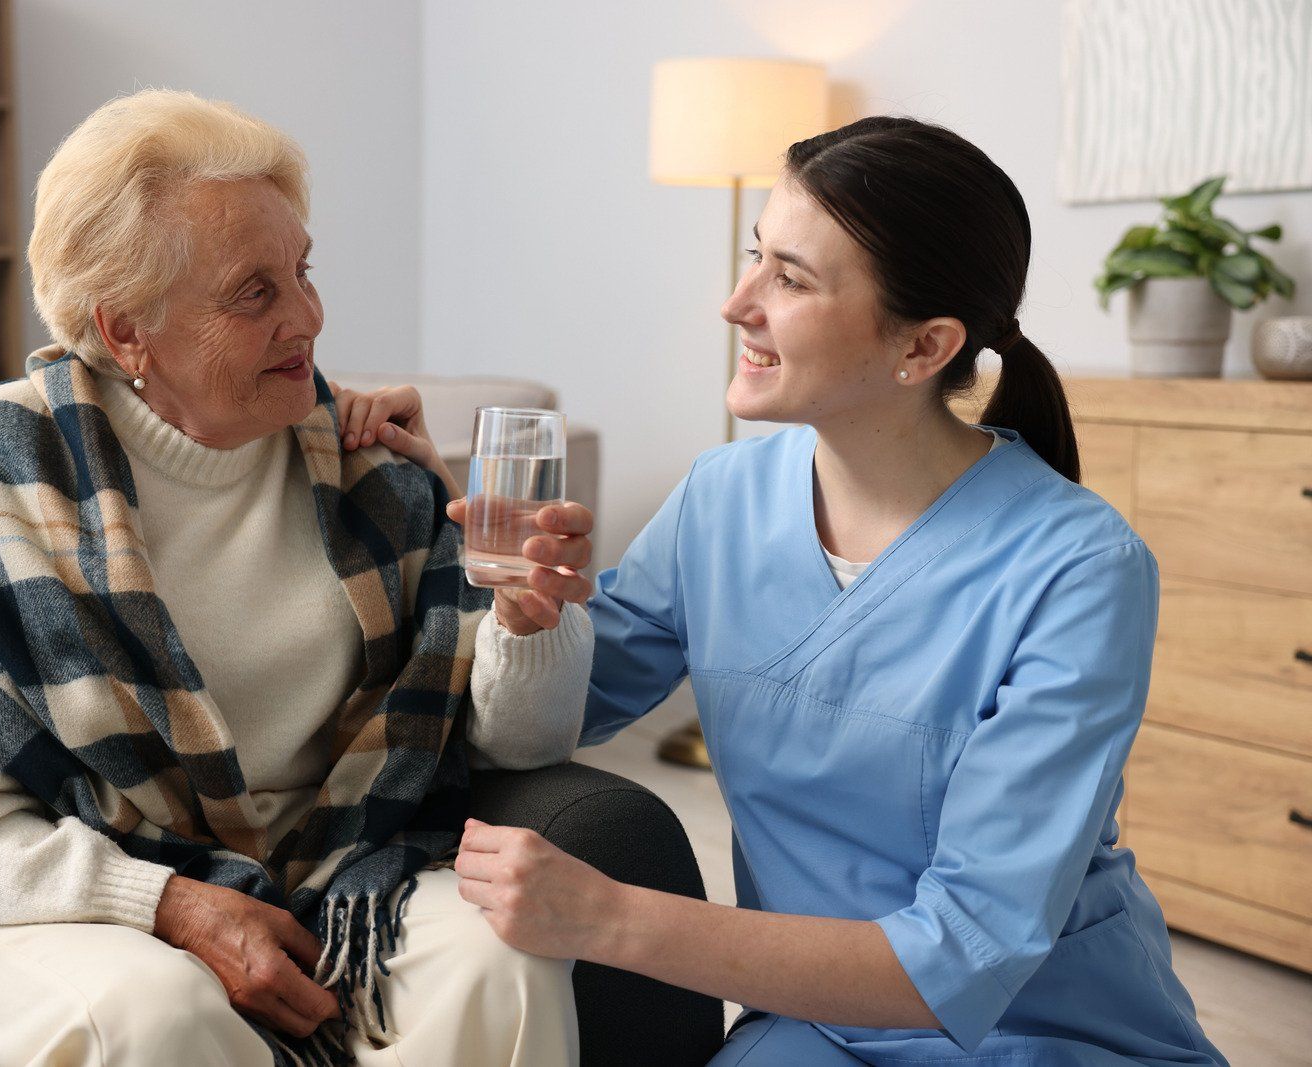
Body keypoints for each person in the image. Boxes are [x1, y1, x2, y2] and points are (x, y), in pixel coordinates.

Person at [345, 117, 1227, 1064]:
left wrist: (606, 916)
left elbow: (963, 955)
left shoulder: (1081, 570)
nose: (736, 303)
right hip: (813, 1027)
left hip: (1047, 1031)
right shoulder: (721, 503)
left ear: (924, 346)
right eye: (754, 256)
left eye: (790, 279)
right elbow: (553, 710)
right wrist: (460, 536)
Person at [0, 89, 597, 1067]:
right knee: (156, 1010)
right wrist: (167, 902)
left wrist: (525, 616)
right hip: (38, 903)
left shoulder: (372, 467)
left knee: (505, 958)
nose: (309, 318)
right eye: (255, 292)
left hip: (336, 883)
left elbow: (521, 741)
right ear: (125, 333)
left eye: (303, 271)